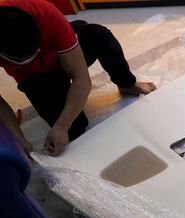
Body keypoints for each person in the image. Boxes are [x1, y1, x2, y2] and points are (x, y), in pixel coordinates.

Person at [0, 0, 156, 156]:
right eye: (25, 58)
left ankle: (126, 84)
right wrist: (17, 138)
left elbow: (81, 78)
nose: (36, 56)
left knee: (99, 35)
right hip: (35, 77)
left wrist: (62, 125)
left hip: (62, 54)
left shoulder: (45, 14)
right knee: (74, 130)